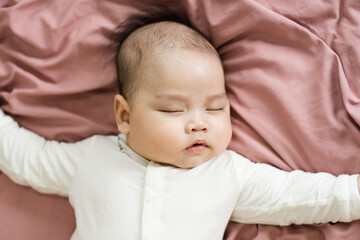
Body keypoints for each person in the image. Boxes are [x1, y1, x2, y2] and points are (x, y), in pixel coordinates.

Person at [0, 9, 359, 240]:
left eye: (216, 108)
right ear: (125, 116)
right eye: (174, 111)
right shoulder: (91, 158)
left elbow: (309, 196)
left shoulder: (228, 174)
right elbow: (24, 157)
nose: (198, 124)